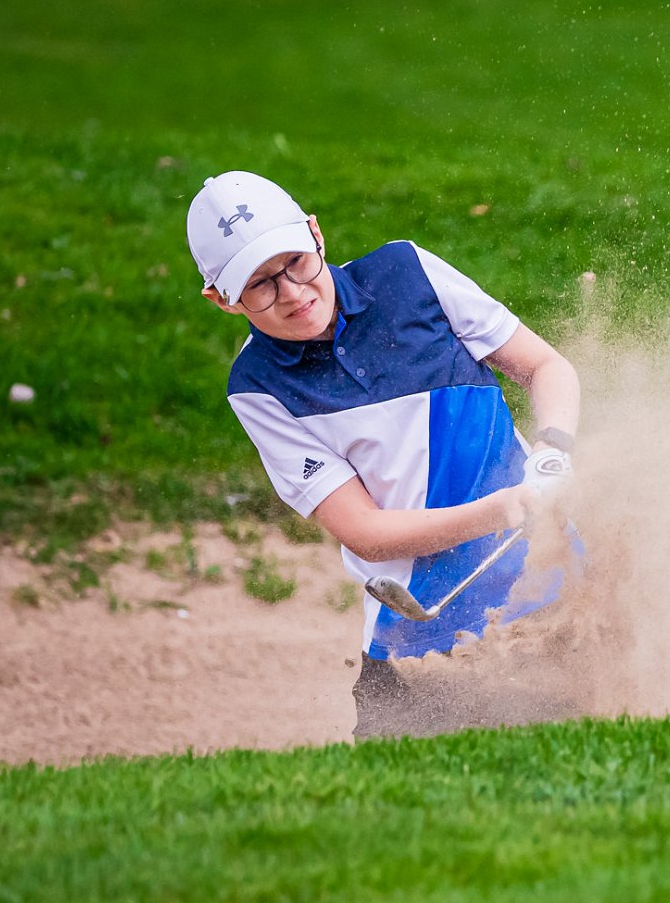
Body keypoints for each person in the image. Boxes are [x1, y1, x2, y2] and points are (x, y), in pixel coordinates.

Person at [185, 170, 582, 738]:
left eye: (294, 262)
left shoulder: (408, 272)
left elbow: (545, 367)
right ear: (221, 300)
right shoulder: (257, 387)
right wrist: (507, 507)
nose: (293, 293)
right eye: (260, 284)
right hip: (414, 643)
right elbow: (366, 533)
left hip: (546, 592)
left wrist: (553, 450)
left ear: (316, 233)